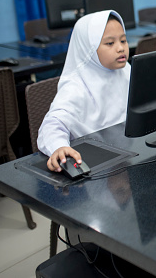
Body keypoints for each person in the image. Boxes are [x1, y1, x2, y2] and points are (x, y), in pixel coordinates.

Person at [38, 10, 131, 172]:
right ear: (89, 49)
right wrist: (58, 147)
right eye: (110, 43)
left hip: (127, 155)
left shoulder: (125, 70)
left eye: (123, 40)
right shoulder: (76, 86)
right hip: (93, 165)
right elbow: (52, 124)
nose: (120, 48)